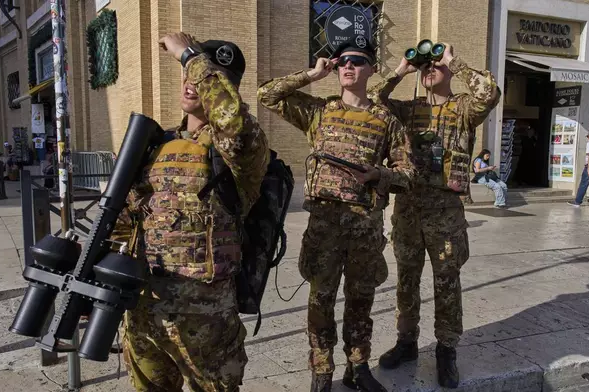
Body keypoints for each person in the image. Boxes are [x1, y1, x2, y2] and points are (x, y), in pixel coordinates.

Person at [112, 32, 269, 392]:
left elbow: (234, 125)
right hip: (144, 310)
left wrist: (189, 56)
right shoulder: (157, 142)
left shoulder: (242, 147)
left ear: (223, 89)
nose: (191, 82)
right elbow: (126, 216)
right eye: (188, 74)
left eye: (203, 75)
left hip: (206, 319)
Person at [258, 38, 416, 392]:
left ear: (372, 69)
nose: (348, 66)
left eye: (358, 61)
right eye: (342, 61)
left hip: (365, 229)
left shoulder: (385, 120)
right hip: (324, 230)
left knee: (361, 301)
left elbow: (408, 175)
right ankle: (322, 369)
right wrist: (312, 74)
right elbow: (267, 95)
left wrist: (380, 175)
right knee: (321, 300)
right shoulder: (319, 112)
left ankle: (358, 366)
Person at [368, 43, 501, 388]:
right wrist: (400, 70)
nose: (429, 70)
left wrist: (455, 62)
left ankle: (446, 350)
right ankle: (407, 342)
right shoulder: (406, 110)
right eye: (425, 66)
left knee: (446, 283)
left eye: (434, 65)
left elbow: (489, 93)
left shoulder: (463, 109)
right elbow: (371, 101)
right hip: (408, 211)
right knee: (407, 282)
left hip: (446, 214)